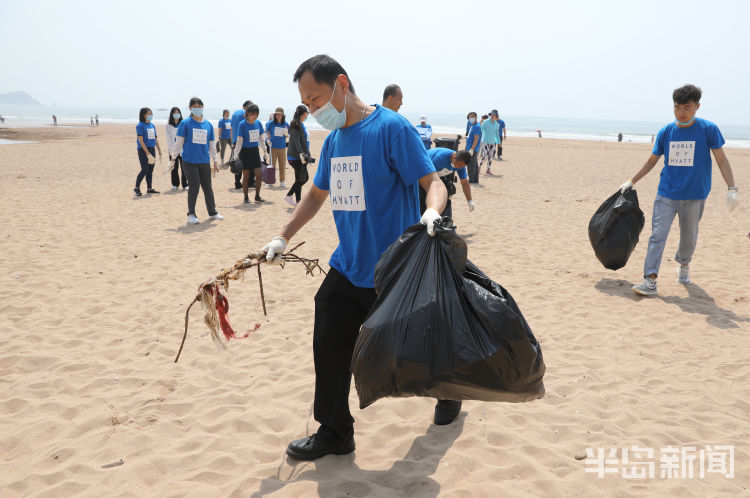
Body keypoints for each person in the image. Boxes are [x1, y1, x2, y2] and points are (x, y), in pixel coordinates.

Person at [260, 54, 450, 462]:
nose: (313, 110)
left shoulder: (391, 129)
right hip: (347, 267)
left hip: (393, 272)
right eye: (307, 105)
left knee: (416, 351)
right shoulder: (333, 142)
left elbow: (433, 182)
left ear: (341, 85)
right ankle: (334, 431)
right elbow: (314, 195)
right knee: (329, 339)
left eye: (316, 99)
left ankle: (448, 394)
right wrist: (281, 236)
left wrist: (432, 211)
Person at [619, 84, 739, 296]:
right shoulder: (666, 131)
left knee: (688, 239)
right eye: (677, 108)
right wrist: (631, 181)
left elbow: (721, 159)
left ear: (697, 107)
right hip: (666, 194)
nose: (681, 113)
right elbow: (652, 160)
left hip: (695, 195)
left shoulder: (708, 129)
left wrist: (732, 188)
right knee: (657, 235)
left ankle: (683, 265)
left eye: (686, 108)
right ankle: (650, 279)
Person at [170, 97, 223, 225]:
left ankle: (212, 212)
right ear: (190, 108)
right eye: (194, 106)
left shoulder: (208, 125)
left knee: (208, 187)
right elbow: (179, 142)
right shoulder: (185, 123)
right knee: (194, 186)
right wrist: (173, 158)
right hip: (189, 161)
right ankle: (191, 214)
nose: (197, 108)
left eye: (199, 106)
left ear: (203, 107)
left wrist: (215, 160)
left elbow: (211, 144)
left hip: (204, 161)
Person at [420, 148, 474, 219]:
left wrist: (469, 201)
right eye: (460, 165)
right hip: (422, 172)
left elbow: (464, 183)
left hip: (437, 175)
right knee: (425, 199)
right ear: (454, 158)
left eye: (463, 166)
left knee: (448, 191)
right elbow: (426, 178)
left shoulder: (460, 164)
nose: (460, 168)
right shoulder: (440, 159)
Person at [235, 103, 268, 203]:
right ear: (248, 113)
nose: (254, 116)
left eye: (256, 114)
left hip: (255, 151)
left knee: (259, 174)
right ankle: (246, 197)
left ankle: (257, 196)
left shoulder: (258, 123)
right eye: (252, 114)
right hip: (244, 152)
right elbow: (239, 140)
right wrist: (236, 154)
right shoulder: (242, 124)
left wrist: (265, 150)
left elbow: (261, 138)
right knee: (246, 176)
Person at [284, 105, 313, 206]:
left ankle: (298, 201)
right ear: (304, 113)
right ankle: (288, 195)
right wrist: (302, 154)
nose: (307, 115)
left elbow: (304, 142)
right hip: (296, 157)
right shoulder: (295, 124)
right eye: (307, 113)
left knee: (299, 179)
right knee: (304, 178)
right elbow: (296, 142)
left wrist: (308, 154)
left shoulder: (301, 124)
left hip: (301, 156)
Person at [134, 107, 162, 196]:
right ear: (143, 115)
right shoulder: (140, 125)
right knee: (144, 169)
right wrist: (147, 153)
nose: (150, 115)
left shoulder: (152, 125)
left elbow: (155, 139)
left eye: (151, 114)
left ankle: (149, 188)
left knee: (150, 170)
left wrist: (160, 150)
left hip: (152, 149)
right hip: (143, 150)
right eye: (148, 114)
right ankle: (136, 188)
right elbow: (141, 141)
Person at [231, 100, 253, 190]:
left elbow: (231, 128)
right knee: (249, 163)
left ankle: (237, 182)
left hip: (236, 140)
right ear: (247, 106)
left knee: (237, 162)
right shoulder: (245, 114)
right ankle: (250, 182)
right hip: (245, 141)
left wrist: (232, 140)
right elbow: (247, 127)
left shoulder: (234, 114)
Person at [166, 107, 188, 191]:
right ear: (172, 114)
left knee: (184, 168)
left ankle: (185, 184)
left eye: (178, 112)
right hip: (172, 149)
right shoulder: (168, 125)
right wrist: (173, 150)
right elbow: (168, 138)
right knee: (174, 168)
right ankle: (175, 184)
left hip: (183, 149)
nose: (176, 114)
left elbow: (185, 137)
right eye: (174, 113)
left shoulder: (183, 124)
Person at [267, 107, 290, 188]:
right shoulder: (271, 123)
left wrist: (286, 134)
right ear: (275, 115)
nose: (278, 116)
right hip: (273, 147)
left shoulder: (286, 124)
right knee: (272, 165)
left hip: (282, 147)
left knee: (282, 165)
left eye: (280, 114)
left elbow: (287, 135)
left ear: (283, 115)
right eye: (277, 114)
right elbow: (267, 131)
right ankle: (270, 180)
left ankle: (282, 181)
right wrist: (268, 138)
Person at [480, 110, 500, 174]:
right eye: (491, 114)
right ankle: (478, 166)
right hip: (485, 141)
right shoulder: (485, 122)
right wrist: (481, 123)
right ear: (490, 115)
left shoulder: (496, 124)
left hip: (492, 142)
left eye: (494, 115)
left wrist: (499, 142)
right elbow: (481, 129)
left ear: (496, 116)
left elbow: (496, 133)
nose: (492, 116)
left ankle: (488, 169)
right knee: (486, 155)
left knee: (491, 156)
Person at [465, 111, 482, 184]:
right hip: (470, 147)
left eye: (473, 116)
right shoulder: (472, 126)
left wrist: (472, 149)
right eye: (470, 117)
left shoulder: (477, 126)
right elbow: (471, 137)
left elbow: (476, 138)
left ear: (476, 117)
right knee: (474, 164)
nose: (471, 118)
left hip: (473, 149)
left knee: (471, 165)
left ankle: (472, 180)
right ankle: (475, 180)